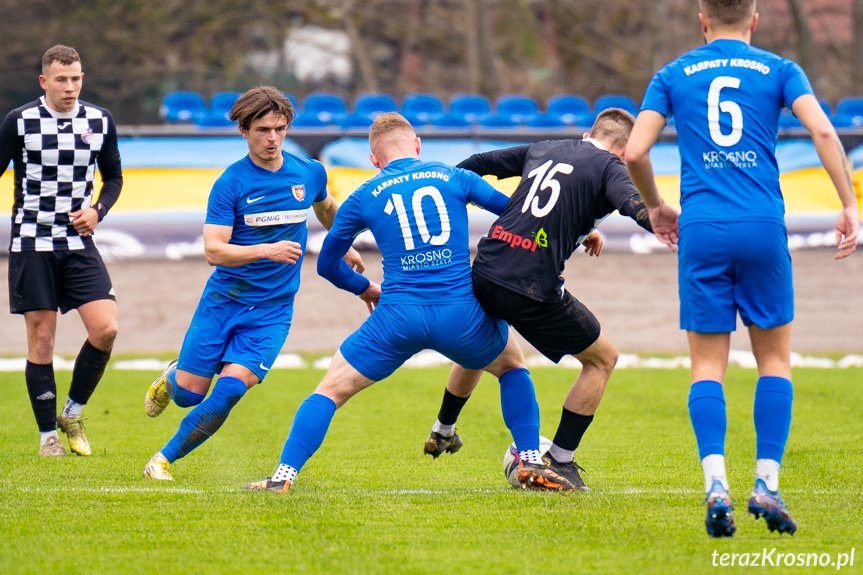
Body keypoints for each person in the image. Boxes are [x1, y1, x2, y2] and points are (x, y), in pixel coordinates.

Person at [624, 0, 859, 538]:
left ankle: (715, 484)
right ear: (754, 20)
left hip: (702, 229)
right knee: (773, 361)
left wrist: (656, 205)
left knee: (708, 368)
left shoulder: (672, 73)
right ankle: (767, 484)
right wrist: (848, 203)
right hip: (761, 226)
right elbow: (824, 133)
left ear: (701, 20)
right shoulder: (780, 69)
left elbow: (636, 149)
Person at [244, 112, 574, 493]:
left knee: (329, 391)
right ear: (417, 145)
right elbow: (520, 215)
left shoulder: (364, 195)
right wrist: (579, 235)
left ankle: (282, 478)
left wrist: (365, 288)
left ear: (374, 159)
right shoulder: (455, 176)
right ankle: (531, 460)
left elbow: (326, 265)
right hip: (461, 314)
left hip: (397, 317)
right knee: (513, 368)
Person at [422, 108, 655, 492]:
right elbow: (635, 206)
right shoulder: (612, 168)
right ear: (626, 150)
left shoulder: (546, 148)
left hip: (485, 268)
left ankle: (443, 428)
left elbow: (478, 164)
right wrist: (672, 226)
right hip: (530, 287)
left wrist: (582, 231)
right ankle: (560, 460)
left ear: (587, 134)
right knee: (602, 359)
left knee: (485, 345)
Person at [141, 86, 365, 481]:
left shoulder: (308, 171)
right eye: (262, 130)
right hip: (224, 301)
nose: (272, 139)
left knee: (229, 391)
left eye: (279, 129)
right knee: (190, 394)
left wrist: (343, 243)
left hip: (274, 310)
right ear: (244, 130)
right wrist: (268, 250)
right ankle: (174, 377)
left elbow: (327, 207)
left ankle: (161, 460)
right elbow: (214, 250)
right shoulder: (231, 183)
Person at [0, 45, 123, 457]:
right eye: (61, 80)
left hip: (78, 242)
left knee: (106, 329)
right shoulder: (20, 122)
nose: (70, 87)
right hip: (32, 241)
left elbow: (115, 177)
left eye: (76, 79)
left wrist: (98, 210)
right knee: (42, 340)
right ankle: (47, 438)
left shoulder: (99, 120)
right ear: (44, 81)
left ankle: (71, 412)